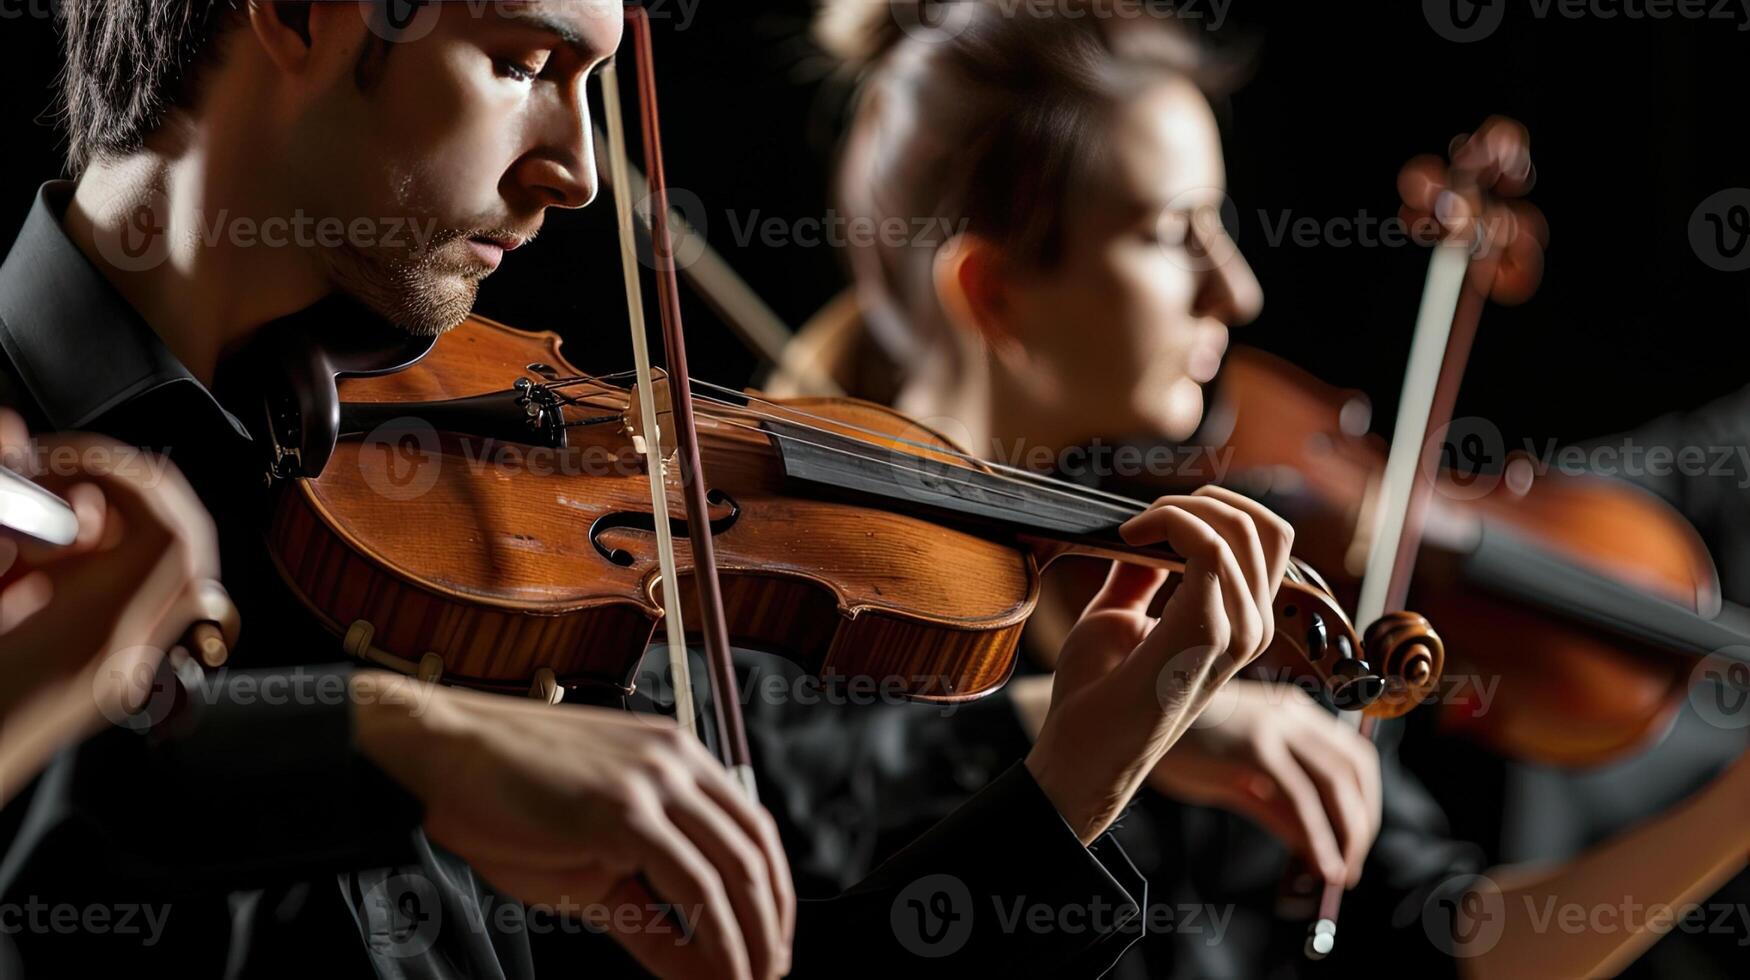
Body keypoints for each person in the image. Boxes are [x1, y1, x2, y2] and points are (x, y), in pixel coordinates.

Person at [0, 2, 1298, 978]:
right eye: (519, 64)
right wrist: (386, 740)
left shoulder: (462, 532)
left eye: (592, 84)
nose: (571, 164)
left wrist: (1068, 785)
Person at [772, 2, 1750, 976]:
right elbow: (809, 814)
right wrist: (1050, 721)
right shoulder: (789, 596)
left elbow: (1453, 946)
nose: (1236, 290)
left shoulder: (1227, 555)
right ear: (992, 291)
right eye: (1169, 234)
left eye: (1220, 223)